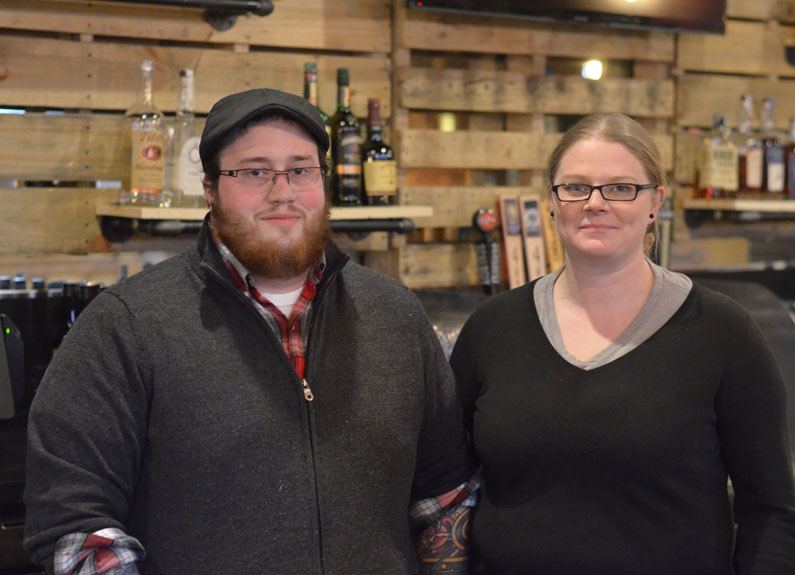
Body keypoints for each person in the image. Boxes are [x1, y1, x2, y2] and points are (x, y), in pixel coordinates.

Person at [23, 88, 476, 575]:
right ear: (211, 188)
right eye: (254, 171)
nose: (282, 193)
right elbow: (75, 526)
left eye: (301, 170)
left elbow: (444, 499)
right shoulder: (126, 325)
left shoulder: (395, 317)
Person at [450, 113, 795, 574]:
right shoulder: (492, 328)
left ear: (656, 202)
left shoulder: (722, 332)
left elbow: (772, 509)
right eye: (575, 187)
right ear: (552, 202)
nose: (595, 203)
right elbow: (447, 485)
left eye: (620, 187)